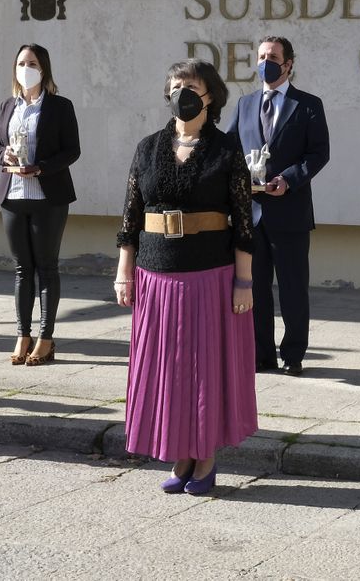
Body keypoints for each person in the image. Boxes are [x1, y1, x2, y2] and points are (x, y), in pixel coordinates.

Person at [115, 60, 257, 495]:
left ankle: (206, 456)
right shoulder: (147, 147)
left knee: (205, 373)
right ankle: (180, 453)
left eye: (191, 86)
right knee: (169, 371)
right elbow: (130, 215)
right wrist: (124, 272)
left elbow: (243, 222)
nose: (183, 93)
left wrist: (244, 282)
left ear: (210, 95)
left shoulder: (226, 150)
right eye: (176, 85)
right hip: (155, 275)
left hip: (209, 275)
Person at [226, 36, 329, 376]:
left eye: (272, 57)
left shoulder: (308, 105)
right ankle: (260, 354)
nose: (264, 62)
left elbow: (318, 154)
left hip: (291, 213)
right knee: (254, 287)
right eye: (261, 56)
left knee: (293, 288)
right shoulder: (245, 104)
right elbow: (227, 150)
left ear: (288, 64)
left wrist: (288, 179)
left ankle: (294, 354)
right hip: (251, 215)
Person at [0, 44, 81, 366]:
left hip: (47, 197)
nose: (25, 68)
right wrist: (6, 156)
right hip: (13, 195)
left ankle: (45, 337)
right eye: (21, 63)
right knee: (21, 269)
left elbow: (72, 150)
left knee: (47, 266)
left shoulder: (59, 106)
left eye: (32, 63)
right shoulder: (7, 105)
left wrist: (40, 167)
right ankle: (22, 333)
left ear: (44, 69)